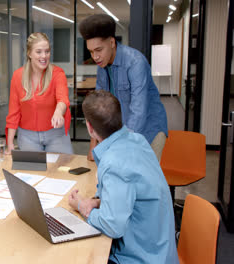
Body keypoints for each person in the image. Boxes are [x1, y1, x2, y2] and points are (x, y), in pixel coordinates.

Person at [68, 90, 178, 264]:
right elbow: (130, 193)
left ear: (90, 128)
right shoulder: (138, 140)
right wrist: (97, 202)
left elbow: (113, 226)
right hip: (159, 248)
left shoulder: (114, 163)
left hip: (142, 258)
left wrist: (82, 206)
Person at [79, 14, 168, 161]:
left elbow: (138, 113)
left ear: (112, 42)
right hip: (123, 131)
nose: (95, 57)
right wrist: (93, 146)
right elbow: (98, 107)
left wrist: (119, 147)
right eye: (91, 51)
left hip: (148, 129)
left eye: (99, 50)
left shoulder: (135, 62)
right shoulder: (102, 66)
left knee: (142, 180)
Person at [5, 32, 73, 154]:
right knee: (31, 172)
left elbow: (62, 99)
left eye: (47, 51)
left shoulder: (57, 73)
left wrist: (58, 112)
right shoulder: (18, 76)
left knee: (61, 170)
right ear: (29, 53)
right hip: (27, 137)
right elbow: (13, 112)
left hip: (56, 134)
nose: (44, 56)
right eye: (39, 51)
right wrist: (9, 143)